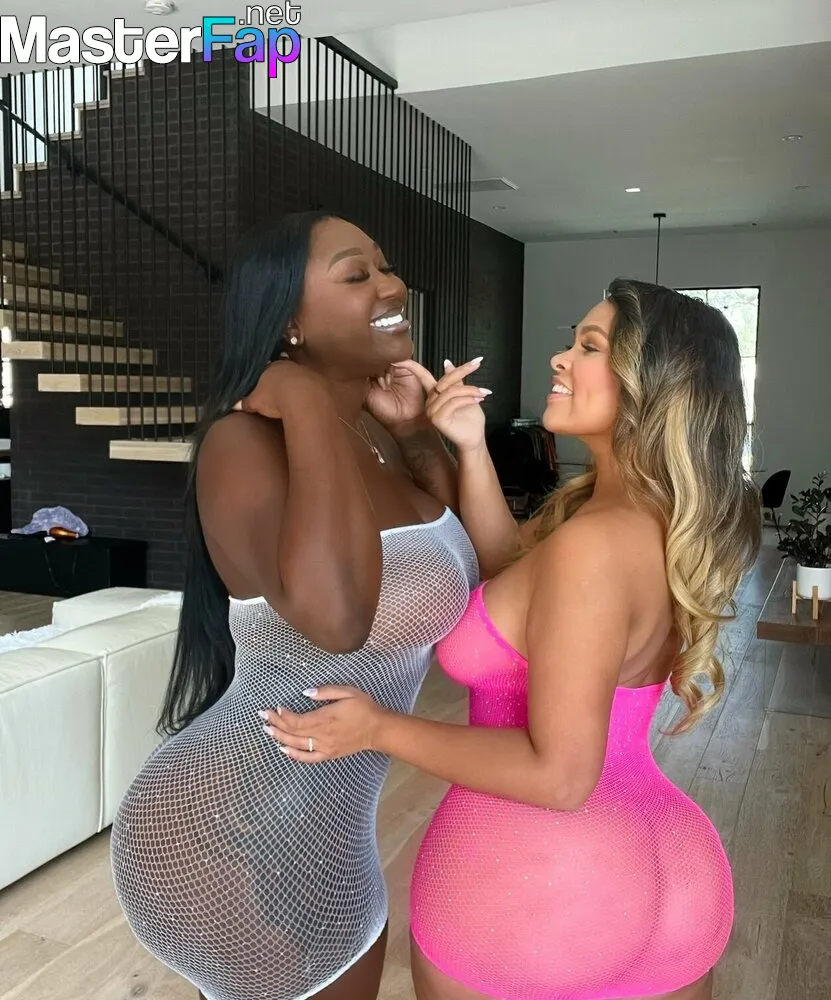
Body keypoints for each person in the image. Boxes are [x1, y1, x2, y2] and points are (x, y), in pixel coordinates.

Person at [261, 279, 762, 1000]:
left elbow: (558, 777)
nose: (561, 358)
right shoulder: (646, 522)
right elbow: (522, 593)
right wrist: (464, 447)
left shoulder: (593, 547)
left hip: (542, 883)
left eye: (589, 347)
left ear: (650, 386)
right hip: (670, 864)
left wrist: (376, 728)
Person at [109, 211, 479, 1000]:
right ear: (289, 324)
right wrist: (306, 402)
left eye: (385, 265)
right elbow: (338, 621)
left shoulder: (375, 436)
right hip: (225, 826)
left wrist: (418, 435)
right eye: (357, 274)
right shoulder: (241, 445)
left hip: (327, 824)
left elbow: (460, 573)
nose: (392, 286)